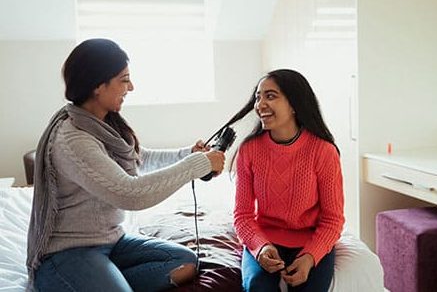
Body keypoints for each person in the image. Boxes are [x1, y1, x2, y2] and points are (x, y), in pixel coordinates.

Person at [26, 38, 225, 292]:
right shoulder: (73, 138)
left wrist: (187, 153)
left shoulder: (102, 122)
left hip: (111, 242)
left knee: (185, 262)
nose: (131, 87)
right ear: (98, 85)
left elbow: (139, 158)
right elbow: (130, 194)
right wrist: (197, 164)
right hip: (68, 253)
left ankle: (104, 280)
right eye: (124, 79)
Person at [229, 69, 344, 291]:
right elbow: (242, 216)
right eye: (258, 97)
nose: (260, 105)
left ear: (294, 104)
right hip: (265, 238)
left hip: (311, 239)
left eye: (270, 96)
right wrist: (260, 247)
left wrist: (310, 257)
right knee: (256, 286)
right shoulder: (249, 150)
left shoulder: (323, 152)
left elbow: (333, 220)